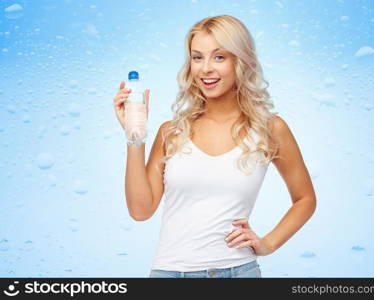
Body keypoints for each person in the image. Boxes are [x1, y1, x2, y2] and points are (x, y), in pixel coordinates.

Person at [112, 15, 316, 278]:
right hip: (170, 273)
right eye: (197, 57)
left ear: (239, 61)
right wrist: (134, 136)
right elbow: (140, 210)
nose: (205, 68)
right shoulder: (171, 132)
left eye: (219, 57)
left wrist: (268, 243)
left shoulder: (269, 128)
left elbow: (306, 199)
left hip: (237, 272)